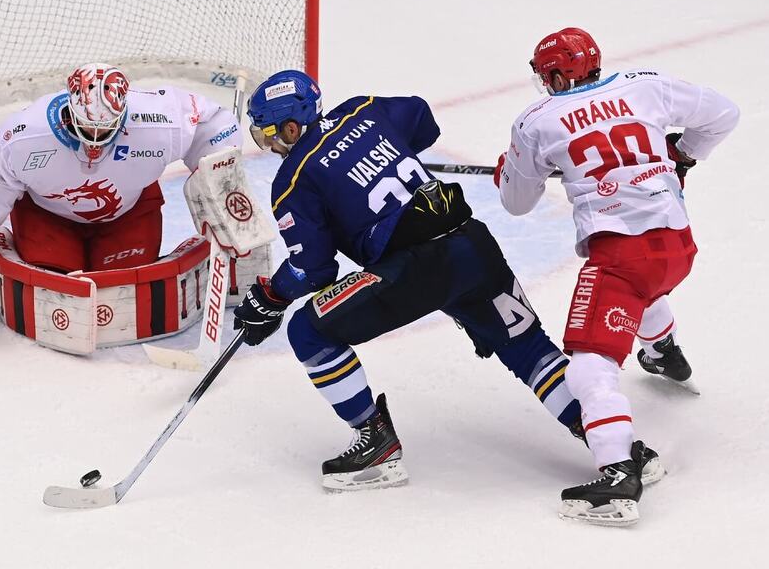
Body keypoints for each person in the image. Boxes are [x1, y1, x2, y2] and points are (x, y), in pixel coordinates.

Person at [231, 69, 605, 493]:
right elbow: (423, 119)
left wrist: (271, 296)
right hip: (472, 243)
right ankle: (611, 445)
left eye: (270, 136)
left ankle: (375, 442)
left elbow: (314, 270)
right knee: (528, 347)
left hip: (415, 268)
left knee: (307, 330)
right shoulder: (364, 109)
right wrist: (385, 150)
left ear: (292, 126)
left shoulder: (294, 179)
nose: (271, 147)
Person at [495, 27, 739, 525]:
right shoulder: (644, 85)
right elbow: (724, 114)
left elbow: (517, 204)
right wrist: (682, 155)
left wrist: (511, 170)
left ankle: (617, 474)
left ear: (559, 73)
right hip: (677, 245)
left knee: (589, 366)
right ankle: (664, 351)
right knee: (640, 293)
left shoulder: (536, 122)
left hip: (622, 257)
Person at [0, 62, 243, 308]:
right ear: (70, 109)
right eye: (86, 127)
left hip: (128, 212)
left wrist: (221, 181)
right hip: (48, 217)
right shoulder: (24, 134)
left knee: (122, 290)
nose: (95, 139)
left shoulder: (160, 118)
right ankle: (1, 243)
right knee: (52, 285)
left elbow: (214, 127)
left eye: (106, 129)